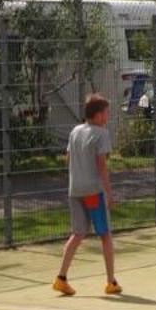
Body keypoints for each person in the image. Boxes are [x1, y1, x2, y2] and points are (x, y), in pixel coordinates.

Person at [53, 93, 121, 297]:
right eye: (107, 112)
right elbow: (101, 165)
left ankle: (61, 278)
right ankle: (111, 281)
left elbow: (68, 158)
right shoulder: (101, 134)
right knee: (105, 234)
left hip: (75, 190)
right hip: (93, 191)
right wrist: (109, 193)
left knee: (78, 233)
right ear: (99, 115)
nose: (108, 116)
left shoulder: (75, 131)